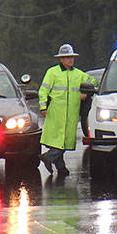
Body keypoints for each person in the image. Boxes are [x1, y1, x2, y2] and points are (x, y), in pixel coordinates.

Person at [38, 44, 93, 176]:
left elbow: (93, 82)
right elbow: (43, 91)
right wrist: (43, 107)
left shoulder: (79, 74)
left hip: (71, 113)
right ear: (61, 59)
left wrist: (86, 91)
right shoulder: (52, 72)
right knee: (57, 140)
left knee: (65, 140)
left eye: (71, 57)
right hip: (56, 112)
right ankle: (49, 159)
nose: (70, 60)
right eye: (67, 57)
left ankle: (60, 167)